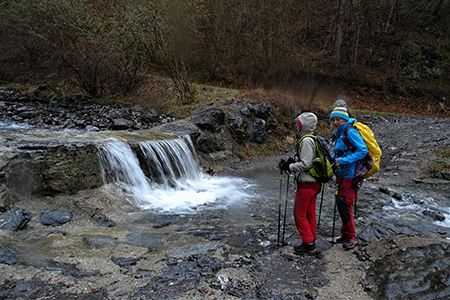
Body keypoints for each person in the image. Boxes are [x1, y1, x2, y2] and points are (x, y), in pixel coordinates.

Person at [279, 112, 321, 255]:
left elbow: (306, 163)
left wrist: (289, 167)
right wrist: (293, 162)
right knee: (309, 213)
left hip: (307, 184)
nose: (297, 127)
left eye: (299, 124)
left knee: (299, 214)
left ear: (304, 125)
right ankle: (311, 240)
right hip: (314, 183)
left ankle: (308, 244)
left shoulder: (306, 140)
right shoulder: (312, 139)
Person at [330, 106, 368, 249]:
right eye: (333, 120)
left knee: (345, 204)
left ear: (345, 119)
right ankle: (345, 234)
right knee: (340, 203)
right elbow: (340, 153)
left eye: (338, 119)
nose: (335, 122)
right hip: (342, 174)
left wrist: (343, 161)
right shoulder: (340, 133)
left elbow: (363, 150)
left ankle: (351, 236)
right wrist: (332, 159)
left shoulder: (350, 132)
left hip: (352, 175)